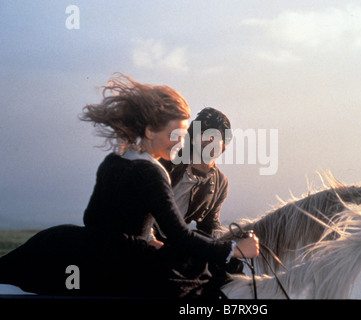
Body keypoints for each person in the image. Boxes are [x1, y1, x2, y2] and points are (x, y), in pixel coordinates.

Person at [0, 73, 258, 298]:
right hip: (127, 261)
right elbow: (179, 234)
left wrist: (146, 240)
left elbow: (95, 218)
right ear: (149, 131)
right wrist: (233, 249)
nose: (179, 141)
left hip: (71, 242)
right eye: (177, 134)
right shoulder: (154, 170)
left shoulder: (114, 159)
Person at [158, 107, 232, 239]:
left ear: (224, 145)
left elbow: (209, 223)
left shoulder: (220, 183)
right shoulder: (167, 159)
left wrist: (226, 243)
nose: (209, 139)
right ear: (192, 139)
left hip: (173, 244)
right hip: (141, 237)